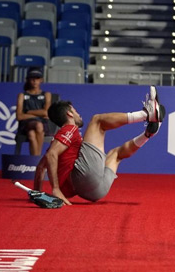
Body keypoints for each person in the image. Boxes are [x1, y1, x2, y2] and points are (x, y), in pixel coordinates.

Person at [33, 86, 165, 205]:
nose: (79, 114)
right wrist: (55, 189)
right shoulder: (69, 129)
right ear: (69, 114)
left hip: (92, 192)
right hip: (82, 179)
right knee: (97, 121)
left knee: (116, 154)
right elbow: (51, 155)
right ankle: (146, 114)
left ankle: (147, 134)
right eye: (75, 111)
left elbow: (40, 167)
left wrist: (37, 194)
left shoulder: (58, 141)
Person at [16, 67, 52, 156]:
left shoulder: (46, 94)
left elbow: (47, 113)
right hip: (25, 125)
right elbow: (19, 116)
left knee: (32, 135)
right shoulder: (22, 95)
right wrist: (38, 115)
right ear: (28, 80)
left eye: (37, 78)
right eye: (32, 78)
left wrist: (28, 112)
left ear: (41, 80)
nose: (34, 81)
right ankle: (38, 159)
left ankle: (34, 161)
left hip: (42, 125)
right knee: (38, 125)